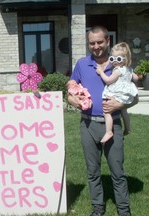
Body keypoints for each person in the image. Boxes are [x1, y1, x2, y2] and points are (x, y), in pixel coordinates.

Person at [67, 26, 138, 216]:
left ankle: (124, 210)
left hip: (112, 124)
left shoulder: (119, 65)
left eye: (100, 42)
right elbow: (71, 89)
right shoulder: (82, 64)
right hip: (88, 124)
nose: (96, 46)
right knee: (92, 170)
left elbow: (135, 97)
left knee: (117, 170)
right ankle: (97, 207)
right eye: (92, 43)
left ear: (108, 41)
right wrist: (72, 100)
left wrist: (119, 106)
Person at [96, 42, 138, 143]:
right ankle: (128, 128)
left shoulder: (118, 70)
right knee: (124, 111)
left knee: (107, 111)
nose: (114, 61)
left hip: (117, 93)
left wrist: (101, 72)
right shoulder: (129, 69)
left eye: (118, 59)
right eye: (112, 58)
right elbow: (136, 78)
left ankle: (109, 131)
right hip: (126, 94)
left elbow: (109, 80)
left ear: (125, 59)